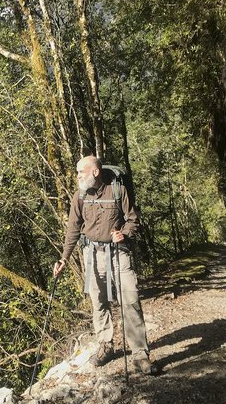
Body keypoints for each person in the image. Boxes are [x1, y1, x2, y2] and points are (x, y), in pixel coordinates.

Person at [53, 155, 155, 374]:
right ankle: (106, 345)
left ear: (95, 172)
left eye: (81, 171)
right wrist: (64, 258)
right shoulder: (79, 195)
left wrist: (124, 234)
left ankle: (139, 354)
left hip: (119, 251)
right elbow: (73, 229)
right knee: (98, 300)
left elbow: (133, 219)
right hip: (92, 254)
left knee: (130, 297)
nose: (77, 176)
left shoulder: (117, 190)